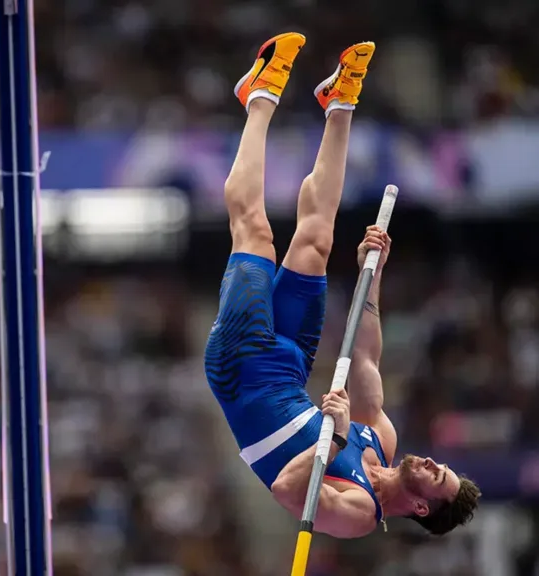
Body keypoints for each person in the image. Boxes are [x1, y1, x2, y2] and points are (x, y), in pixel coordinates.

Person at [204, 32, 481, 539]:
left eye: (435, 475)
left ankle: (259, 97)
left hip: (241, 373)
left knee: (256, 232)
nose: (431, 461)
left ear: (421, 507)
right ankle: (341, 102)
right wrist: (371, 274)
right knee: (316, 241)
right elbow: (367, 358)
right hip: (290, 365)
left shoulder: (358, 513)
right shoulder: (381, 441)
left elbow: (288, 492)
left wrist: (330, 443)